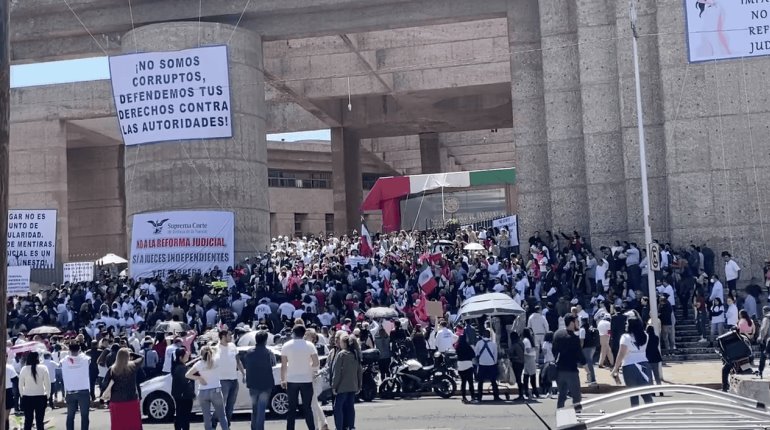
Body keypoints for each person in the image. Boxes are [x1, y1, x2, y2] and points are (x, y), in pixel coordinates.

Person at [611, 311, 654, 407]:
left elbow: (621, 354)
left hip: (629, 366)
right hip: (644, 364)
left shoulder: (625, 337)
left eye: (627, 323)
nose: (625, 324)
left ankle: (635, 417)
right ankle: (653, 414)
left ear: (631, 325)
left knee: (633, 394)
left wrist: (615, 369)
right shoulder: (645, 336)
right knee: (646, 393)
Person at [280, 325, 319, 430]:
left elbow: (283, 365)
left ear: (293, 333)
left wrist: (283, 379)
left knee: (292, 409)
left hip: (291, 380)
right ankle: (312, 428)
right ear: (304, 334)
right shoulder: (310, 345)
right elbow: (316, 362)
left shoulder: (286, 345)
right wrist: (310, 368)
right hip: (306, 379)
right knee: (307, 408)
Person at [186, 345, 228, 430]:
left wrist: (199, 378)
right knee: (222, 416)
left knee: (206, 417)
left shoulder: (199, 364)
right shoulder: (216, 361)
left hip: (203, 391)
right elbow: (218, 351)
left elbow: (187, 375)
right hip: (216, 390)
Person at [242, 331, 276, 430]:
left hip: (252, 384)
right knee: (262, 409)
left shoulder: (248, 352)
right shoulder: (269, 353)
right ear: (265, 340)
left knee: (255, 408)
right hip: (266, 384)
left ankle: (254, 427)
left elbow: (246, 364)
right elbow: (273, 364)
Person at [104, 348, 143, 430]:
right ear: (128, 357)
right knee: (133, 424)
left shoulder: (112, 369)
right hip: (131, 399)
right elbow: (141, 357)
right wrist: (131, 353)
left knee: (118, 425)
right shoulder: (133, 366)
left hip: (116, 400)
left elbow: (104, 384)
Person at [214, 330, 245, 430]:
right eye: (229, 335)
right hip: (222, 380)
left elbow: (238, 360)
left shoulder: (232, 346)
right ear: (223, 336)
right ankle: (213, 422)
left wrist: (243, 373)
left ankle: (227, 425)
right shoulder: (215, 349)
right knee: (221, 404)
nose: (231, 337)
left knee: (231, 405)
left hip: (234, 380)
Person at [552, 314, 585, 408]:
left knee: (562, 395)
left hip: (559, 370)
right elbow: (580, 355)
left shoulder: (557, 334)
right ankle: (578, 416)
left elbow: (554, 350)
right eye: (576, 322)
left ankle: (560, 414)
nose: (578, 323)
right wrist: (586, 367)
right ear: (571, 323)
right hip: (571, 371)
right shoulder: (574, 338)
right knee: (576, 396)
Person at [331, 333, 363, 430]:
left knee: (338, 407)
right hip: (353, 385)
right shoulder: (355, 354)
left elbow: (337, 372)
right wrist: (359, 384)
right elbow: (359, 370)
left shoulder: (341, 354)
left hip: (342, 386)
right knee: (350, 407)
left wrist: (334, 385)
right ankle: (351, 426)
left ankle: (339, 427)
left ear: (343, 343)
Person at [61, 342, 92, 430]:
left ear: (69, 350)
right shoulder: (85, 359)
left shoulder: (64, 360)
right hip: (83, 390)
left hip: (70, 391)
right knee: (84, 415)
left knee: (70, 416)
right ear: (79, 349)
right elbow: (88, 359)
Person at [18, 351, 51, 430]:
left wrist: (22, 395)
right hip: (40, 396)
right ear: (38, 358)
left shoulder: (24, 369)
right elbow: (47, 384)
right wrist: (48, 395)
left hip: (27, 396)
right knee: (40, 421)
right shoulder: (43, 368)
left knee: (28, 420)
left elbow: (20, 385)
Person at [304, 329, 329, 430]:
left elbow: (315, 363)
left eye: (307, 335)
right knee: (314, 403)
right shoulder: (309, 346)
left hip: (312, 377)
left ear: (313, 338)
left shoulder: (310, 347)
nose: (305, 336)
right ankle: (323, 423)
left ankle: (316, 426)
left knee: (313, 404)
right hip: (312, 376)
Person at [473, 329, 501, 402]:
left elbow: (476, 354)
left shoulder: (479, 343)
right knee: (493, 381)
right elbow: (495, 355)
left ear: (482, 335)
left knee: (480, 381)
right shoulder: (493, 344)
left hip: (482, 364)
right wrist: (494, 363)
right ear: (489, 336)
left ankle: (479, 397)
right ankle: (496, 396)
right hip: (491, 364)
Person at [171, 347, 194, 430]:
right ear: (181, 357)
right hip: (185, 396)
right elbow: (186, 382)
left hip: (179, 395)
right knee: (185, 417)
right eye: (185, 354)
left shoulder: (177, 367)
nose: (188, 354)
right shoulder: (182, 368)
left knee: (180, 415)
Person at [455, 334, 477, 404]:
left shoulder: (457, 347)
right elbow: (473, 355)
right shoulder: (468, 346)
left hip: (460, 366)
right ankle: (473, 397)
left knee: (463, 382)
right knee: (470, 382)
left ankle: (464, 397)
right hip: (468, 365)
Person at [645, 324, 664, 397]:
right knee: (657, 376)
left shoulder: (646, 338)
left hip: (648, 358)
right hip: (655, 357)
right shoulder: (656, 338)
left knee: (650, 376)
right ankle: (660, 390)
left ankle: (652, 391)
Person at [579, 318, 598, 386]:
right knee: (588, 363)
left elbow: (582, 341)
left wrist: (580, 349)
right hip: (593, 347)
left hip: (586, 348)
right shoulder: (590, 327)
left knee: (588, 363)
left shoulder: (582, 329)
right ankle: (590, 379)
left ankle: (592, 379)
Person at [521, 328, 539, 399]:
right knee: (532, 375)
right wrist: (535, 348)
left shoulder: (526, 340)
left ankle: (527, 391)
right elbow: (528, 350)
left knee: (526, 375)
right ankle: (534, 391)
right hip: (529, 358)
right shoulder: (527, 340)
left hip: (528, 358)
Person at [756, 306, 770, 378]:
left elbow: (764, 329)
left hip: (767, 340)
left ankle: (760, 371)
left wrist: (760, 338)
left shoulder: (766, 318)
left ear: (763, 311)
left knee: (763, 356)